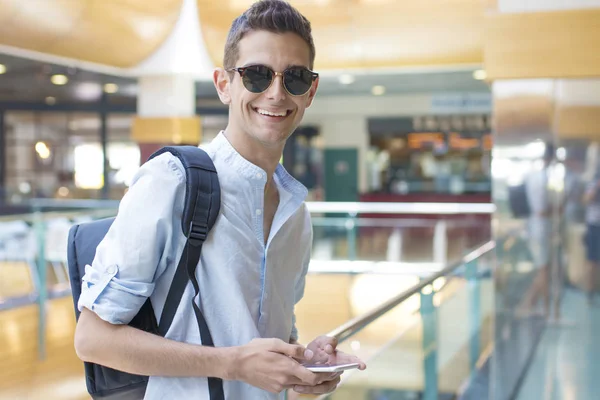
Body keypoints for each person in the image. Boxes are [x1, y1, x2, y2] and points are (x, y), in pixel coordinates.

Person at [73, 1, 365, 399]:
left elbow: (265, 340)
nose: (277, 93)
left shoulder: (295, 213)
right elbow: (92, 339)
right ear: (224, 84)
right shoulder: (172, 181)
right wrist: (231, 363)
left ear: (310, 91)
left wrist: (301, 369)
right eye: (257, 75)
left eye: (294, 78)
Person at [521, 144, 554, 317]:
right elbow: (546, 208)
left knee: (544, 269)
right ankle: (540, 307)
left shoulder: (532, 176)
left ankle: (530, 305)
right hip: (539, 229)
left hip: (534, 228)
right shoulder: (544, 178)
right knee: (543, 270)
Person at [582, 171, 600, 304]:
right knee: (592, 261)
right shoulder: (593, 183)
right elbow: (586, 200)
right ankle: (590, 293)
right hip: (594, 226)